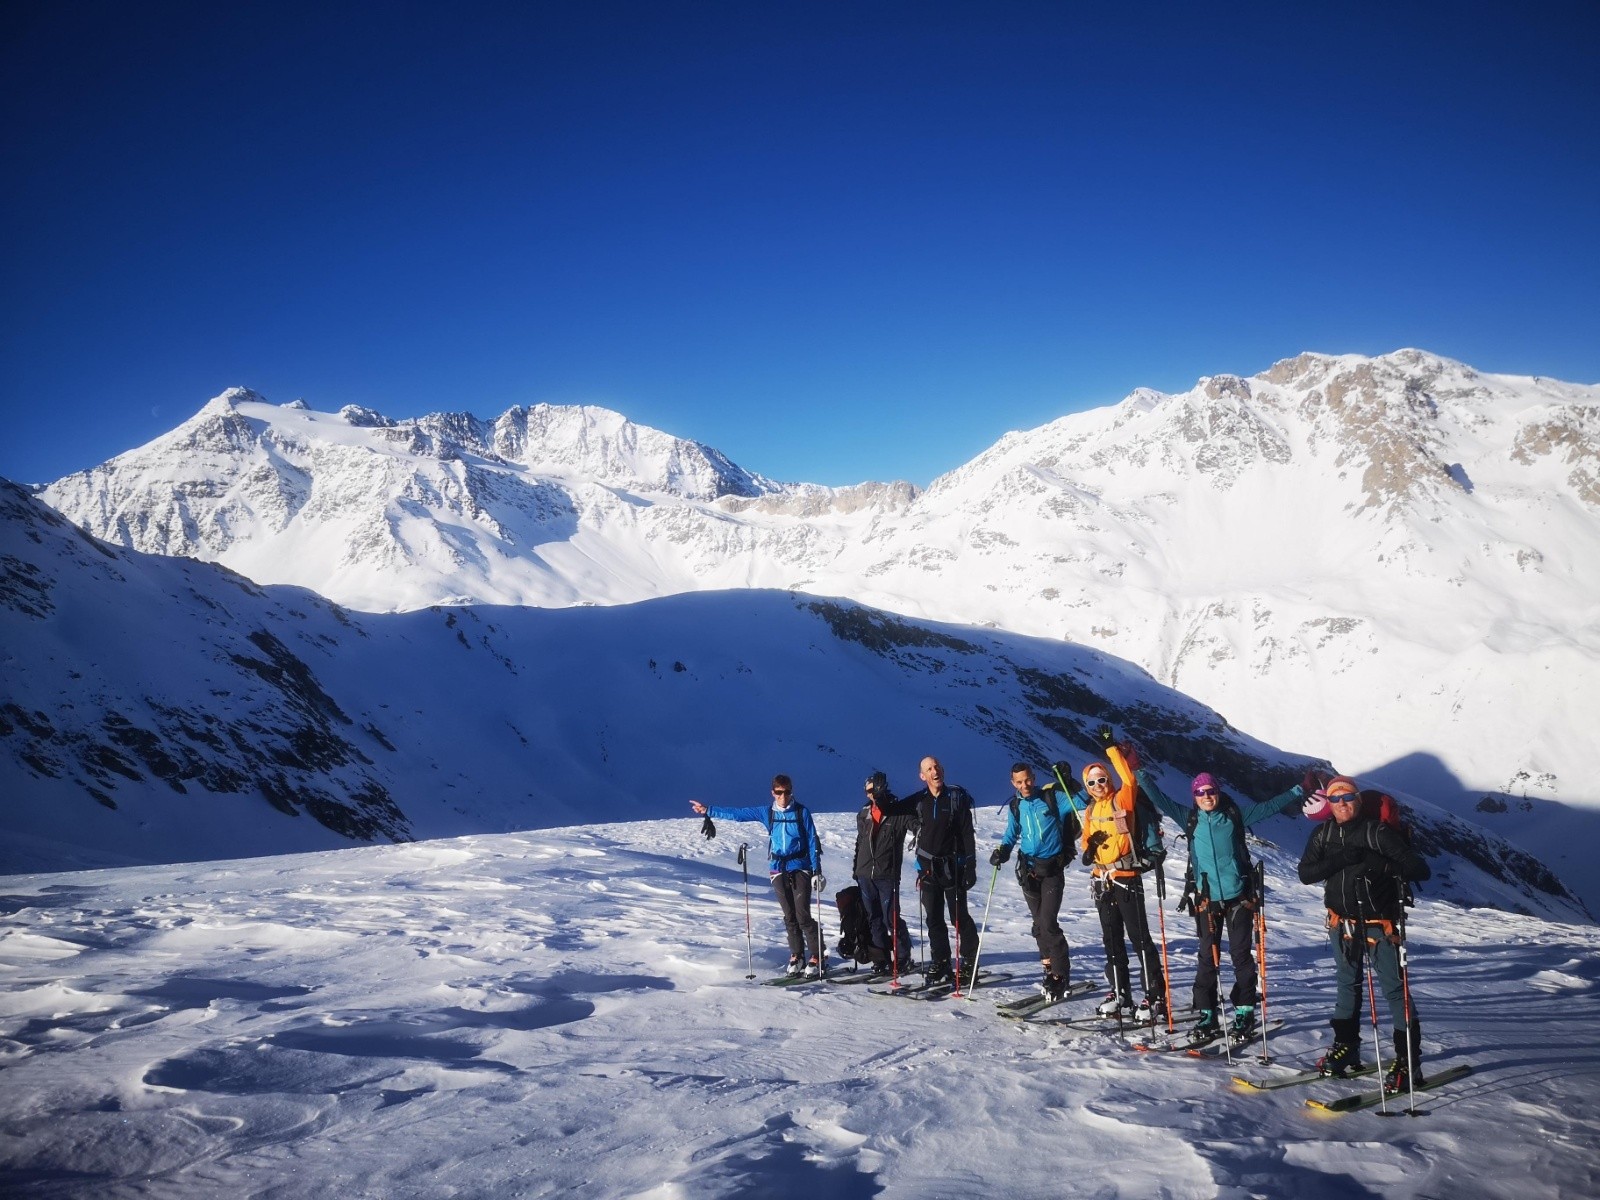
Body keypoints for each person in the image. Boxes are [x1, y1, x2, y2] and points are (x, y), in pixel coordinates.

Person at [1144, 766, 1319, 1042]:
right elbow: (1158, 796)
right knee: (1206, 958)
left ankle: (1245, 1010)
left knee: (1240, 956)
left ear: (1218, 792)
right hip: (1206, 899)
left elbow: (1269, 807)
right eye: (1200, 792)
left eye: (1211, 791)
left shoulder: (1234, 816)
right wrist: (1138, 771)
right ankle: (1207, 1013)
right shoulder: (1189, 818)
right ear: (1194, 796)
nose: (1206, 796)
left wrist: (1300, 790)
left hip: (1239, 897)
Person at [1297, 774, 1431, 1092]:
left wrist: (1380, 865)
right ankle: (1346, 1046)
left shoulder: (1377, 833)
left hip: (1380, 926)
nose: (1341, 804)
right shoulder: (1323, 834)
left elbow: (1418, 868)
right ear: (1328, 804)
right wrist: (1340, 859)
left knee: (1395, 992)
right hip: (1341, 924)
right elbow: (1306, 874)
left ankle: (1408, 1061)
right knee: (1347, 987)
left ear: (1357, 800)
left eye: (1347, 797)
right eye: (1335, 799)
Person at [690, 775, 824, 977]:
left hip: (800, 866)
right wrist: (708, 810)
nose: (783, 796)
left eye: (787, 792)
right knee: (789, 915)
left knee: (802, 914)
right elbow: (738, 814)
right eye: (779, 792)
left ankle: (818, 956)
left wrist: (816, 871)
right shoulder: (767, 813)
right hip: (778, 866)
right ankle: (797, 955)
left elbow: (813, 841)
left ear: (791, 791)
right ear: (773, 793)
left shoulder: (801, 812)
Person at [1079, 726, 1165, 1021]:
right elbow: (1086, 839)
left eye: (1102, 779)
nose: (1099, 784)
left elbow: (1129, 779)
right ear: (1087, 786)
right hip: (1102, 881)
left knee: (1140, 938)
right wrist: (1089, 850)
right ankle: (1121, 993)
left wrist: (1111, 749)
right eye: (1093, 782)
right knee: (1111, 939)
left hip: (1126, 878)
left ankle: (1154, 996)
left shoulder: (1122, 799)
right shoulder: (1090, 811)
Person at [990, 763, 1082, 1000]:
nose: (1024, 785)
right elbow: (1011, 833)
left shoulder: (1052, 798)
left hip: (1052, 870)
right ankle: (1049, 970)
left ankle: (1061, 975)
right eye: (1019, 782)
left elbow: (1082, 801)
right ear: (1013, 783)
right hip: (1028, 871)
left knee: (1048, 922)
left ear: (1034, 777)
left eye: (1028, 780)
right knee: (1038, 925)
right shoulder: (1016, 805)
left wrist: (1068, 783)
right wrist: (1003, 851)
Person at [906, 755, 979, 987]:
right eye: (929, 768)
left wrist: (970, 866)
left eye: (937, 766)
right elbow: (894, 809)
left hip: (953, 868)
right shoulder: (920, 801)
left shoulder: (956, 798)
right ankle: (941, 961)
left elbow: (967, 833)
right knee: (934, 918)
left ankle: (969, 962)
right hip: (928, 869)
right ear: (923, 776)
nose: (934, 770)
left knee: (959, 917)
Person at [851, 771, 919, 973]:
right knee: (874, 918)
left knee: (892, 918)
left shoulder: (897, 811)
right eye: (867, 791)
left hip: (887, 874)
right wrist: (856, 869)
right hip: (865, 874)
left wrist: (921, 831)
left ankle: (903, 957)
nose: (870, 794)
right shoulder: (864, 813)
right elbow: (860, 842)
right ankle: (880, 959)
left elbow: (914, 825)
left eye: (873, 790)